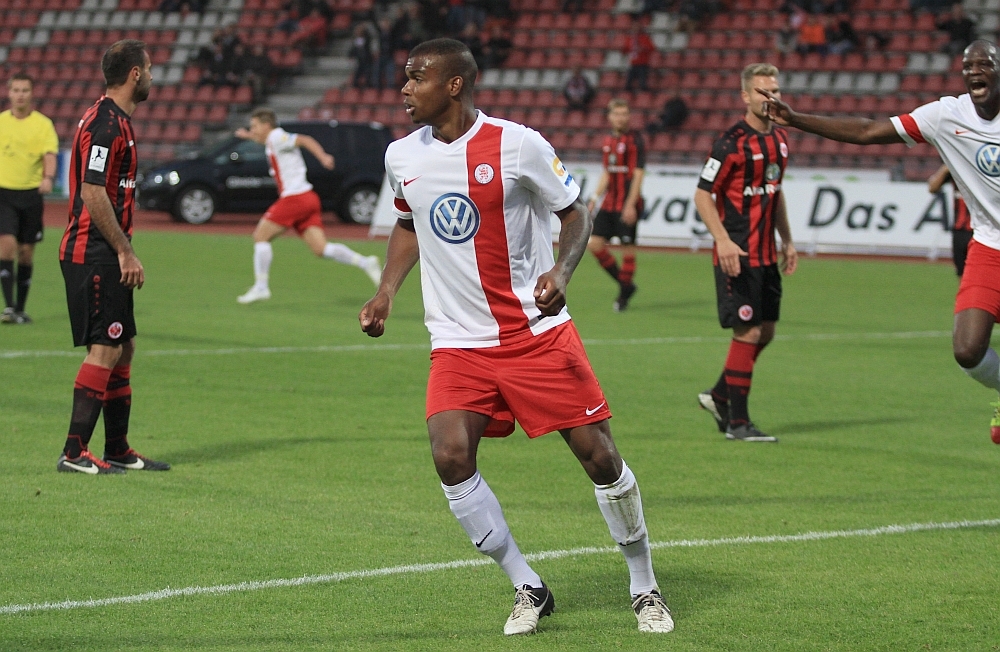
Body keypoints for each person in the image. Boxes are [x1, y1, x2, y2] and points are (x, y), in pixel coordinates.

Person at [358, 38, 673, 636]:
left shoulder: (519, 144)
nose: (405, 89)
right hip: (458, 341)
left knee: (600, 458)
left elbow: (575, 213)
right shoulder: (402, 154)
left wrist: (562, 271)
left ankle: (644, 584)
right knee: (450, 456)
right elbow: (408, 222)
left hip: (534, 334)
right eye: (406, 77)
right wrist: (386, 291)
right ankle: (527, 584)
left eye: (417, 78)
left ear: (455, 85)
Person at [756, 40, 1000, 444]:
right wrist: (796, 120)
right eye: (967, 66)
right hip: (989, 247)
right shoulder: (946, 115)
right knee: (967, 350)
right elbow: (867, 131)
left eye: (984, 64)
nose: (974, 71)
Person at [57, 40, 170, 474]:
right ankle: (74, 453)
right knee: (106, 348)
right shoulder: (106, 124)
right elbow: (92, 191)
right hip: (94, 252)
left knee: (122, 347)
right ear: (135, 74)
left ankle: (118, 449)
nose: (153, 77)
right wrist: (125, 251)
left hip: (103, 251)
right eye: (150, 69)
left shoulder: (115, 119)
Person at [694, 63, 798, 443]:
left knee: (765, 331)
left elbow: (775, 192)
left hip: (767, 254)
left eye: (774, 91)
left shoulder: (780, 140)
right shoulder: (731, 143)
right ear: (745, 96)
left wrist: (787, 239)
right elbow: (702, 194)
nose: (770, 98)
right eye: (761, 92)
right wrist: (722, 239)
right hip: (737, 254)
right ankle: (738, 423)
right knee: (749, 331)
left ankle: (720, 396)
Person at [235, 108, 381, 304]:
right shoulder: (271, 139)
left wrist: (323, 157)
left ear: (266, 125)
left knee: (260, 236)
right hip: (308, 198)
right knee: (321, 249)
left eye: (254, 126)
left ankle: (261, 287)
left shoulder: (277, 137)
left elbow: (305, 140)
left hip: (295, 198)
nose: (252, 130)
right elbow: (262, 139)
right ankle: (366, 262)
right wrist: (248, 136)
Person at [0, 72, 58, 325]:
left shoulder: (43, 124)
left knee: (26, 252)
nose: (20, 95)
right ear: (9, 93)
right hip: (4, 193)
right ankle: (9, 307)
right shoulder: (1, 122)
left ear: (32, 93)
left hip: (31, 195)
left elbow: (49, 154)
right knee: (7, 245)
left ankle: (21, 309)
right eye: (16, 90)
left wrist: (48, 177)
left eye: (25, 90)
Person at [586, 98, 645, 312]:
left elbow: (638, 174)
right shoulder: (607, 141)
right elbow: (607, 173)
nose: (620, 118)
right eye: (617, 114)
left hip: (627, 203)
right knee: (594, 244)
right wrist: (594, 198)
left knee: (627, 249)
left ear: (629, 116)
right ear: (610, 117)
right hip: (609, 203)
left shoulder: (635, 141)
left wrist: (630, 204)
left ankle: (623, 296)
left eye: (624, 114)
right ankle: (626, 285)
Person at [928, 164, 973, 276]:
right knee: (961, 273)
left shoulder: (982, 169)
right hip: (959, 231)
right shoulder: (955, 168)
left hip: (981, 231)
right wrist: (945, 168)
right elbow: (932, 188)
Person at [622, 20, 654, 92]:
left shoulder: (645, 38)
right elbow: (625, 49)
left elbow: (651, 48)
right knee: (628, 84)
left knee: (643, 84)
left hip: (642, 64)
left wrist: (643, 48)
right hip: (632, 64)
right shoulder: (629, 38)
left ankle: (644, 96)